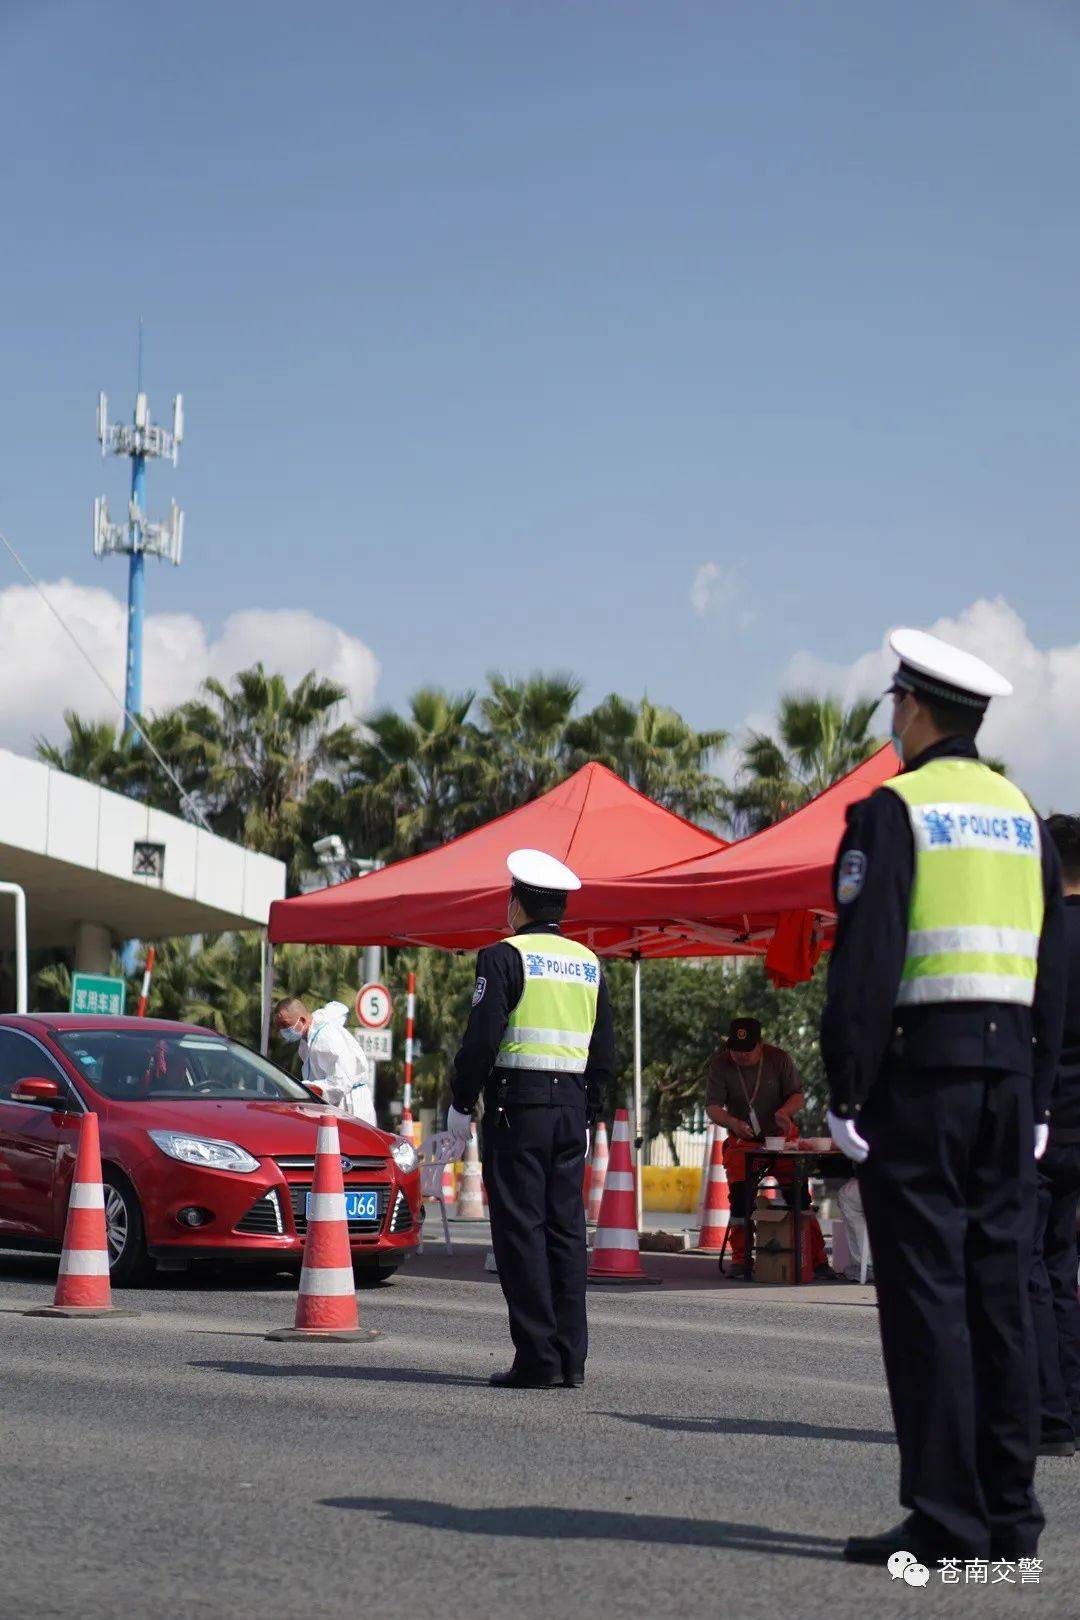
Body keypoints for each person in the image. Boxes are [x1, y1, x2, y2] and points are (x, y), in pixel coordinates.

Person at [821, 627, 1066, 1568]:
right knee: (1000, 1290)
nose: (893, 721)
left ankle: (947, 1521)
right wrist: (1040, 1093)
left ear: (916, 709)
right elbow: (1053, 971)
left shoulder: (895, 810)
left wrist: (848, 1087)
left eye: (894, 705)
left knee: (926, 1298)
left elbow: (867, 962)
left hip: (923, 1082)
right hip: (1011, 1085)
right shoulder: (1022, 814)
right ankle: (1010, 1514)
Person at [447, 847, 615, 1389]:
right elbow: (605, 1052)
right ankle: (571, 1359)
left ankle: (537, 1359)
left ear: (516, 903)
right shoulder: (590, 963)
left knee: (521, 1231)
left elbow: (481, 1039)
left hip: (517, 1107)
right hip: (571, 1110)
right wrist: (589, 1113)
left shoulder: (503, 956)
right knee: (566, 1231)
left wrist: (459, 1101)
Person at [705, 1017, 831, 1278]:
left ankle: (816, 1260)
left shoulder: (779, 1059)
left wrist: (785, 1113)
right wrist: (733, 1123)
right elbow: (713, 1107)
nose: (741, 1055)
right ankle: (741, 1259)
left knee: (800, 1197)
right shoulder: (720, 1065)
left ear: (760, 1045)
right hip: (744, 1140)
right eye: (735, 1049)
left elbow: (798, 1095)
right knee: (740, 1196)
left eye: (747, 1049)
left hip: (781, 1138)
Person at [1029, 814, 1080, 1455]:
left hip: (1041, 1123)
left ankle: (1050, 1416)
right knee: (1061, 1263)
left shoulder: (1036, 937)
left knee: (1034, 1267)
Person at [274, 997, 377, 1126]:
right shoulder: (309, 1038)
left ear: (302, 1020)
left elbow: (340, 1083)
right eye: (279, 1026)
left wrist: (304, 1089)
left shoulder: (326, 1038)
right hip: (333, 1106)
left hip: (350, 1105)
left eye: (285, 1025)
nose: (282, 1031)